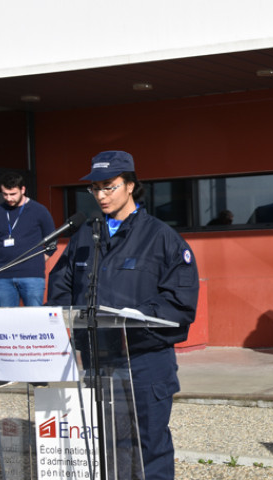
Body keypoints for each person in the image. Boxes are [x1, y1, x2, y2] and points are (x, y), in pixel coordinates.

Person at [47, 150, 199, 480]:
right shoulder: (84, 237)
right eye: (95, 188)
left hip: (145, 361)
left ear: (130, 185)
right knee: (107, 448)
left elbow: (181, 304)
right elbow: (61, 288)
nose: (101, 195)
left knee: (149, 447)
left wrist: (133, 317)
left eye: (109, 186)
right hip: (99, 361)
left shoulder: (161, 238)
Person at [0, 172, 55, 306]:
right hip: (3, 276)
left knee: (34, 320)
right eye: (5, 194)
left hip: (32, 276)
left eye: (13, 194)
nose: (9, 198)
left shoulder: (39, 210)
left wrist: (37, 260)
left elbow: (52, 240)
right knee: (7, 322)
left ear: (23, 189)